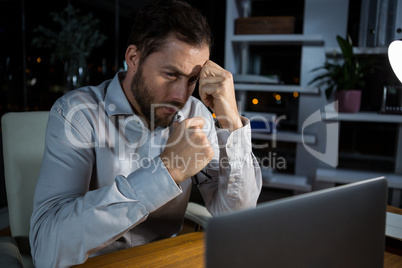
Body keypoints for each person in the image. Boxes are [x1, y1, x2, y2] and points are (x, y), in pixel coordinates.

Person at [29, 0, 262, 267]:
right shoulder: (77, 115)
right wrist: (166, 170)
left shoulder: (194, 114)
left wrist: (231, 121)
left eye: (192, 80)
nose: (181, 96)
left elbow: (236, 214)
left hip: (166, 260)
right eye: (171, 74)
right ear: (133, 58)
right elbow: (46, 248)